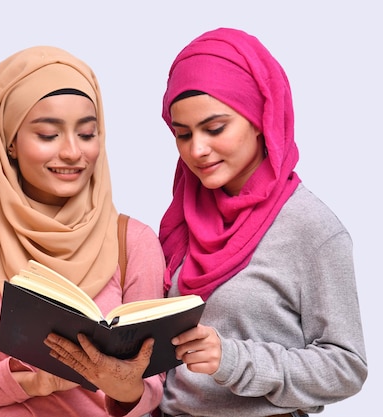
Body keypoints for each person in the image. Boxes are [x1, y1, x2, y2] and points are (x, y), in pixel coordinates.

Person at [0, 45, 165, 417]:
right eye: (48, 135)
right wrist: (22, 383)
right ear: (9, 140)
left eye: (87, 134)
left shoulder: (132, 241)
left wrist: (125, 386)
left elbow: (153, 391)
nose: (73, 152)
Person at [157, 28, 368, 417]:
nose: (197, 150)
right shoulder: (182, 217)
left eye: (215, 128)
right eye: (182, 134)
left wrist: (234, 360)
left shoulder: (312, 228)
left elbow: (346, 367)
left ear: (259, 117)